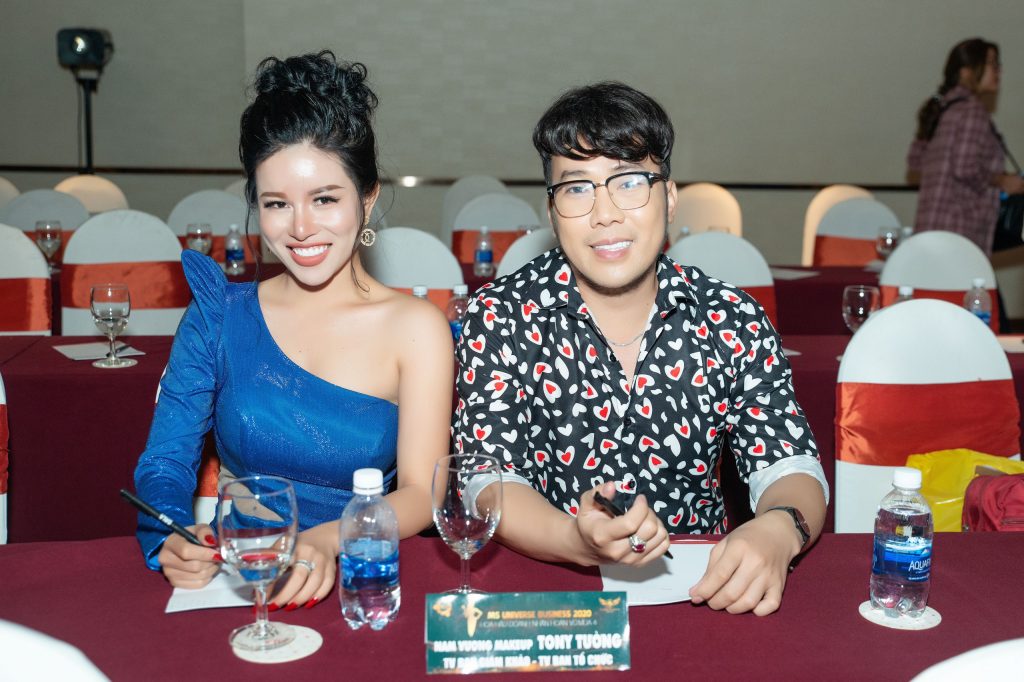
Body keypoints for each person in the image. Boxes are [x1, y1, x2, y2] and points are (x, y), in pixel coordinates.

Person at [452, 82, 828, 616]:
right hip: (551, 592)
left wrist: (778, 529)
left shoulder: (730, 318)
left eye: (629, 182)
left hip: (703, 594)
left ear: (669, 197)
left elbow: (790, 465)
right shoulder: (500, 316)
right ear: (552, 211)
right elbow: (488, 480)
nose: (604, 214)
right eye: (577, 188)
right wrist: (574, 538)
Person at [133, 52, 453, 609]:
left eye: (325, 199)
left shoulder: (416, 328)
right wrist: (170, 535)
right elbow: (165, 461)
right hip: (242, 578)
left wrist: (329, 539)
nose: (301, 228)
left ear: (368, 198)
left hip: (363, 577)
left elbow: (423, 495)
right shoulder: (218, 316)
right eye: (277, 203)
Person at [907, 38, 1024, 256]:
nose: (998, 71)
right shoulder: (972, 111)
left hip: (931, 224)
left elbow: (915, 161)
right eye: (991, 64)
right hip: (961, 229)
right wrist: (1003, 180)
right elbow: (964, 168)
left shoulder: (942, 108)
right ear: (966, 72)